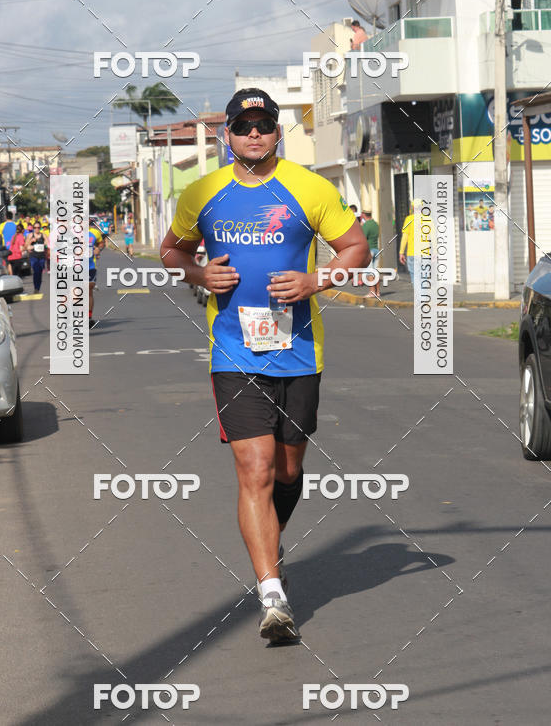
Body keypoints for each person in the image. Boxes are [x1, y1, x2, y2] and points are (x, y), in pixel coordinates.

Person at [160, 87, 370, 643]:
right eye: (243, 126)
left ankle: (269, 542)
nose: (254, 134)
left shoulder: (310, 187)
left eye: (264, 125)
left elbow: (357, 249)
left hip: (299, 352)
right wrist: (200, 275)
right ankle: (272, 593)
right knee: (254, 468)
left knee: (287, 471)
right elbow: (170, 251)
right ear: (227, 134)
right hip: (233, 353)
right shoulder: (203, 192)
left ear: (278, 133)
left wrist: (316, 279)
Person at [88, 219, 105, 326]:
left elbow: (101, 243)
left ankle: (88, 317)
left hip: (90, 266)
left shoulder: (95, 232)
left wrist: (99, 249)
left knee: (88, 290)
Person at [361, 210, 381, 298]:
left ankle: (372, 292)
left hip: (369, 251)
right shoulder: (375, 224)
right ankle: (378, 292)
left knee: (369, 272)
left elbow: (362, 238)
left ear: (363, 215)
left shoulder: (366, 225)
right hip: (376, 249)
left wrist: (361, 227)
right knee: (375, 271)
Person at [399, 200, 419, 285]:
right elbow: (433, 237)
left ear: (413, 207)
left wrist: (401, 252)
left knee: (414, 276)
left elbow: (405, 237)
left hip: (412, 252)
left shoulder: (409, 219)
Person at [25, 221, 48, 292]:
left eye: (38, 228)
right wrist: (31, 241)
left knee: (40, 272)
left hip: (41, 256)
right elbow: (26, 246)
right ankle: (36, 288)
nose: (36, 229)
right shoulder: (30, 235)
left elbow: (47, 242)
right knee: (36, 271)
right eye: (35, 228)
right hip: (33, 256)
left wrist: (44, 244)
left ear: (40, 228)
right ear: (33, 228)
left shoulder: (43, 235)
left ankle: (38, 286)